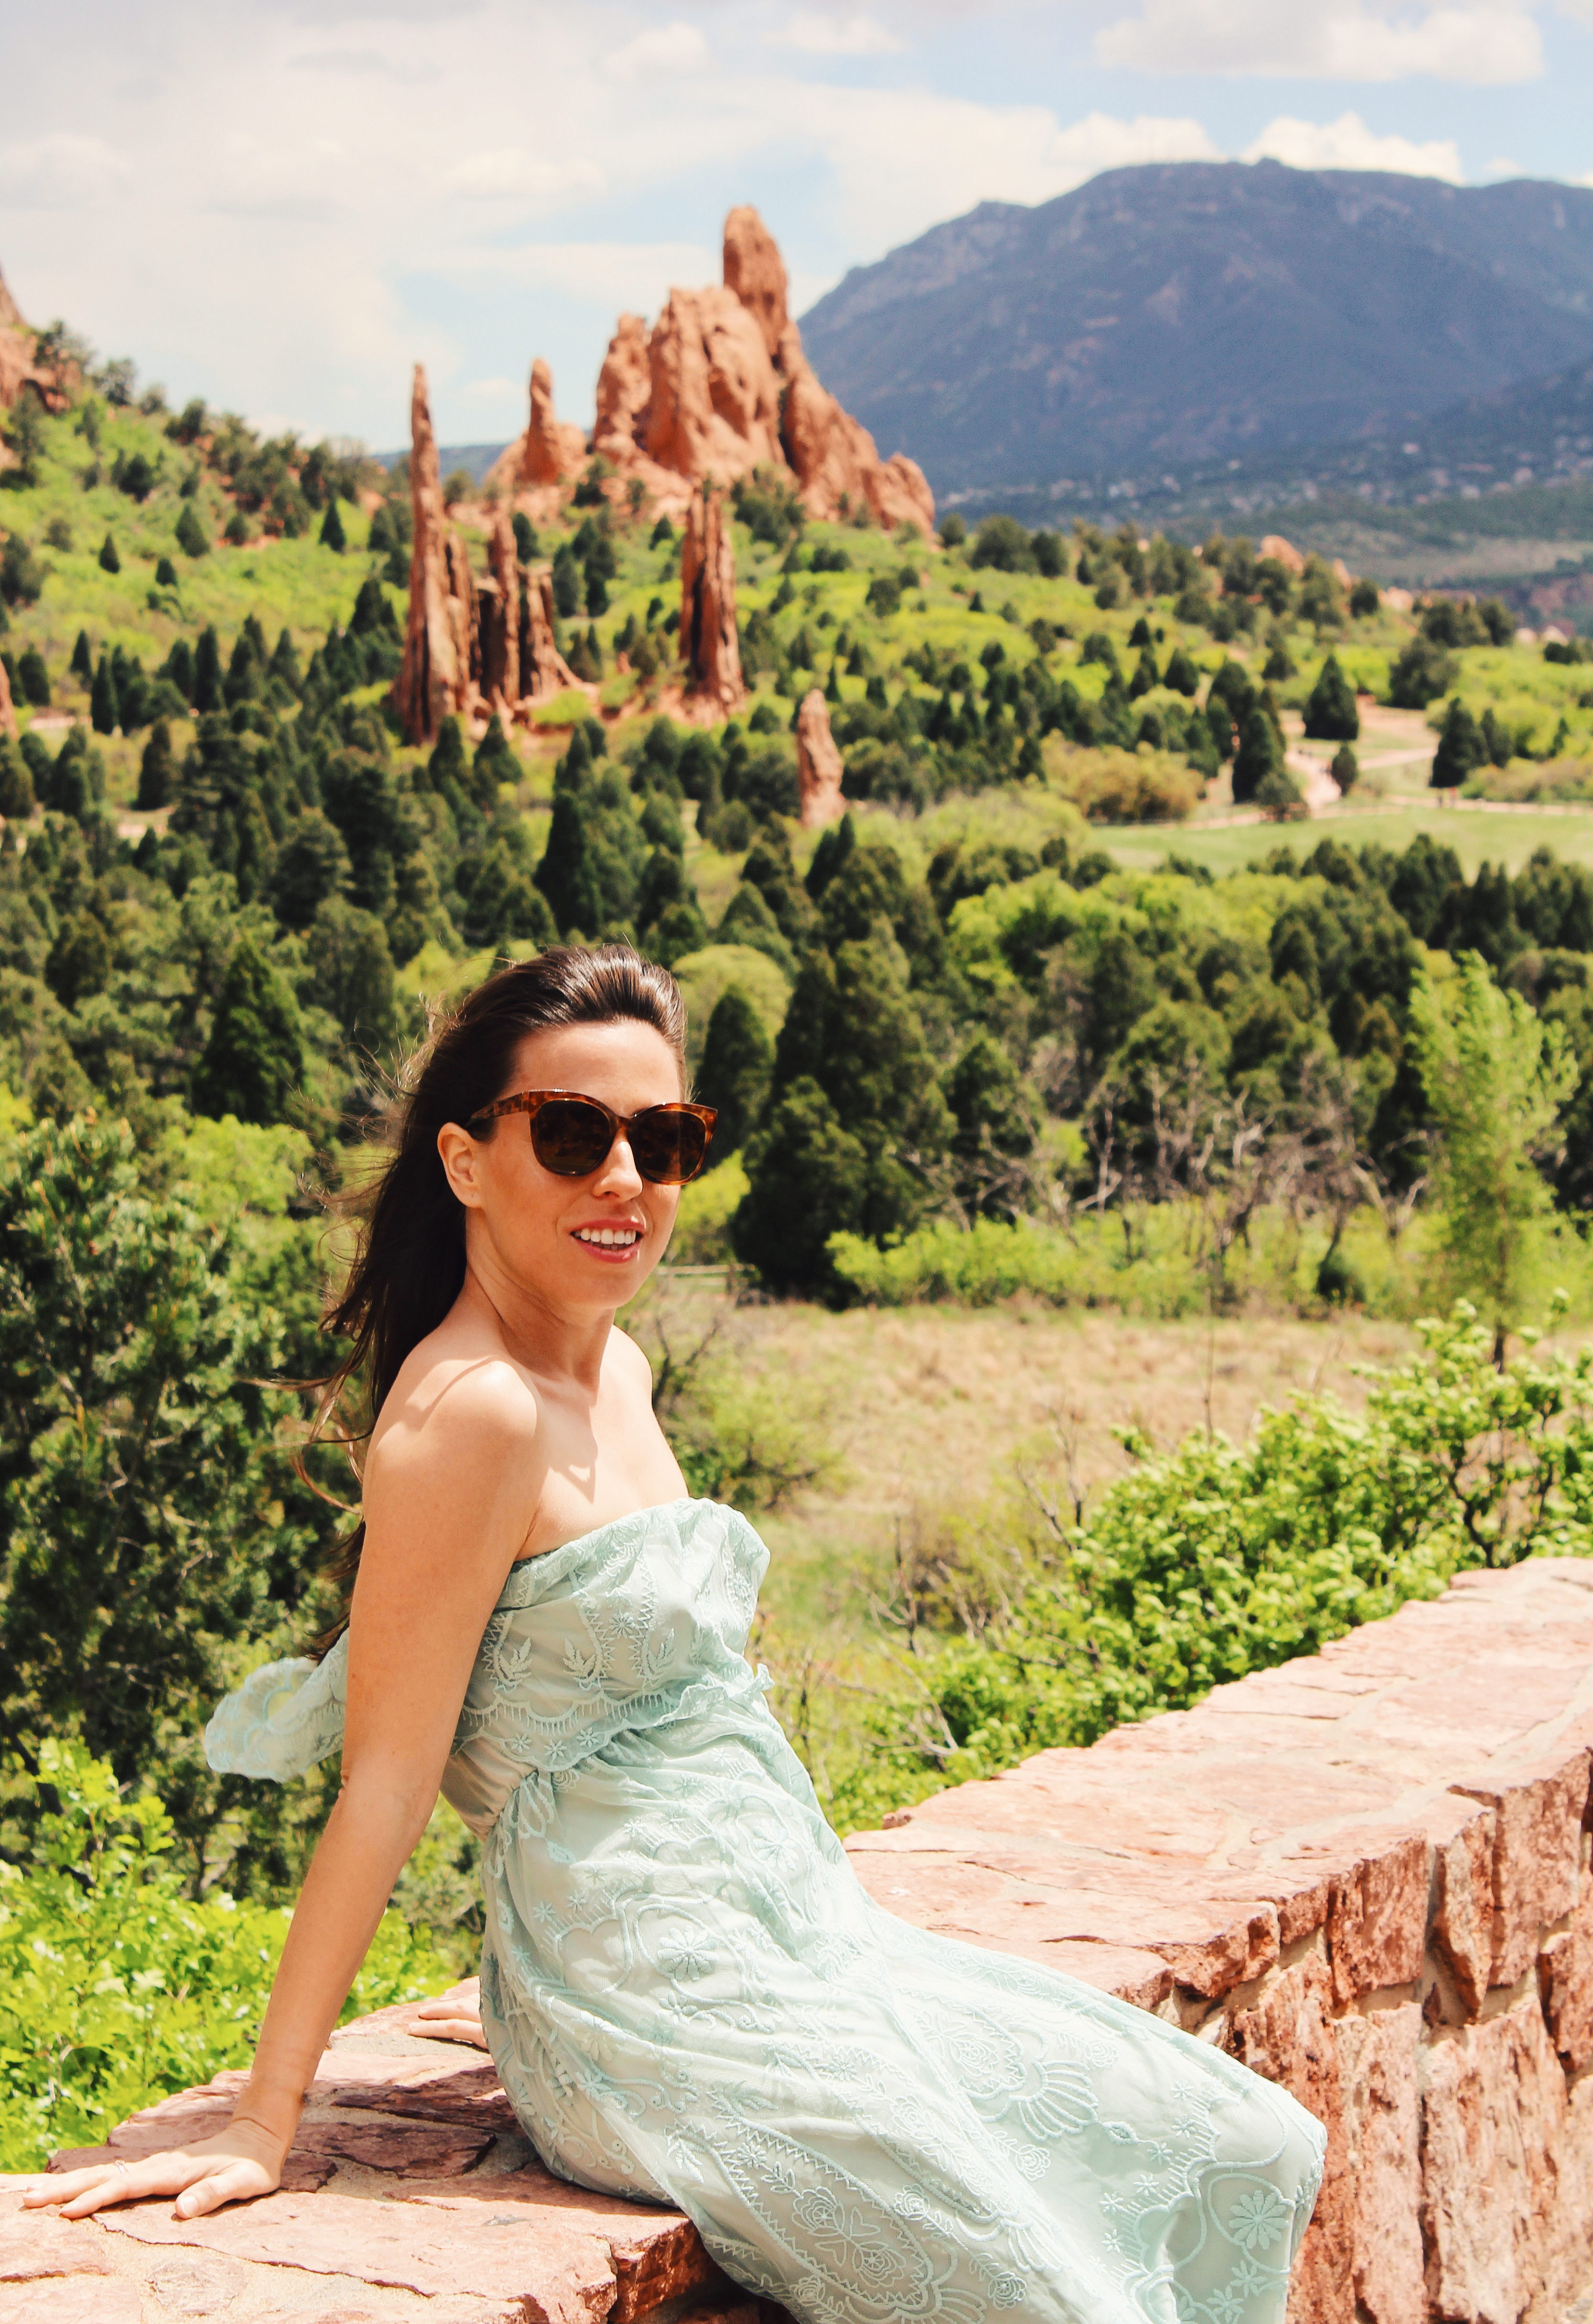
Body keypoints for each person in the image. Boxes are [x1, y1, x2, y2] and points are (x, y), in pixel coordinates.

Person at [29, 946, 1324, 2320]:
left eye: (666, 1140)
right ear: (467, 1163)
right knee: (1039, 2287)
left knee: (1247, 2141)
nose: (627, 1183)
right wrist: (261, 2118)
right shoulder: (476, 1416)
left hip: (799, 1931)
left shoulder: (620, 1371)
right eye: (575, 1134)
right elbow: (386, 1785)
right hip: (644, 1994)